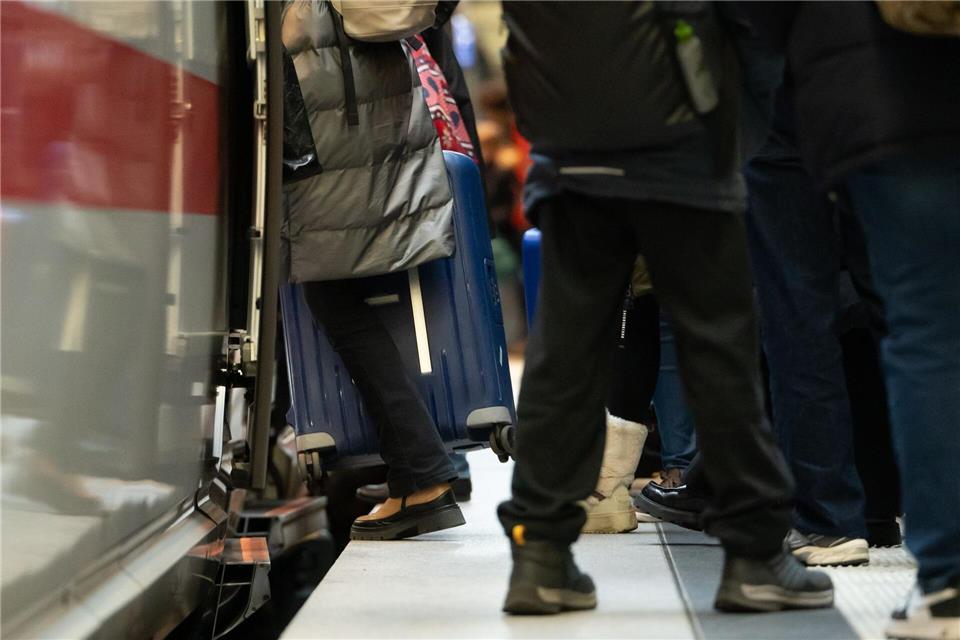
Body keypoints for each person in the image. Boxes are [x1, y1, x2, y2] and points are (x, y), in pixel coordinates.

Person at [495, 1, 832, 615]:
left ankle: (541, 554)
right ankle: (755, 556)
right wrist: (736, 124)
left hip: (568, 143)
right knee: (717, 346)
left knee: (564, 351)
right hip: (684, 144)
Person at [737, 3, 960, 638]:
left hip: (824, 83)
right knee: (916, 315)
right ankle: (907, 506)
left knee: (798, 306)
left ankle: (833, 517)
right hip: (930, 66)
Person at [281, 0, 464, 540]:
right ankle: (417, 468)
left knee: (331, 297)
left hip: (332, 126)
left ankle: (424, 474)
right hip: (355, 119)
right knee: (336, 295)